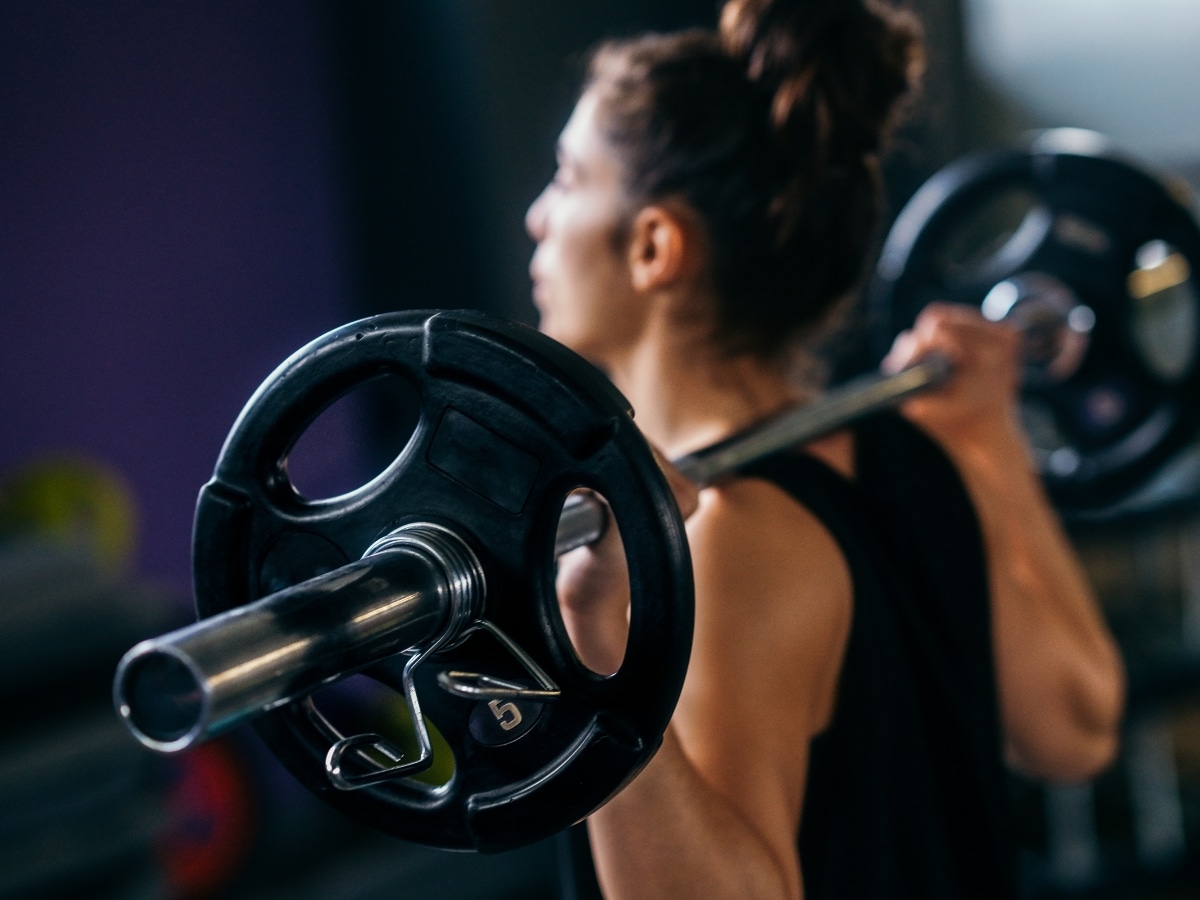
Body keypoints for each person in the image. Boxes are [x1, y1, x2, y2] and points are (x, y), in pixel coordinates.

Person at [523, 0, 1127, 897]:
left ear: (655, 245)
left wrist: (596, 645)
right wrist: (990, 444)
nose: (539, 217)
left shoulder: (727, 548)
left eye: (570, 179)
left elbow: (1076, 732)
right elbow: (1076, 726)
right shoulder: (910, 455)